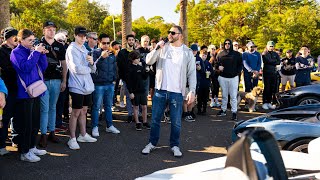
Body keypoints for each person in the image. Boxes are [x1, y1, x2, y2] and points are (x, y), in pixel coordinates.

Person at [142, 25, 196, 157]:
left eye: (173, 32)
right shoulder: (163, 48)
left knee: (176, 122)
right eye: (169, 32)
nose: (169, 35)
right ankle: (152, 143)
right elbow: (148, 61)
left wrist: (192, 91)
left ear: (180, 35)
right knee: (155, 119)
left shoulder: (187, 52)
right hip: (161, 90)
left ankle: (175, 145)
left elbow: (192, 73)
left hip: (177, 92)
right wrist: (156, 48)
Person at [10, 29, 48, 162]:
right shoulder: (15, 53)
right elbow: (25, 68)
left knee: (34, 122)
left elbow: (43, 67)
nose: (33, 42)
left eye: (33, 39)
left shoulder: (32, 51)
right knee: (26, 124)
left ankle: (32, 147)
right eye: (29, 40)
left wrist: (41, 54)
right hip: (24, 93)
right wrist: (36, 53)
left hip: (36, 91)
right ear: (21, 40)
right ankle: (24, 152)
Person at [65, 26, 97, 150]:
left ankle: (83, 135)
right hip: (76, 86)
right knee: (75, 112)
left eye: (84, 36)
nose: (83, 38)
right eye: (80, 36)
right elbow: (76, 69)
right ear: (75, 36)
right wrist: (89, 68)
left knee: (84, 111)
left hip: (87, 86)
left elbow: (93, 69)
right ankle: (72, 138)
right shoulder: (72, 49)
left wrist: (92, 63)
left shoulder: (84, 48)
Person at [39, 21, 67, 148]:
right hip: (42, 81)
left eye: (53, 29)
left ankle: (52, 132)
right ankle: (43, 134)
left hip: (56, 80)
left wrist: (64, 81)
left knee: (53, 107)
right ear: (44, 30)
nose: (51, 31)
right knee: (44, 108)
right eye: (49, 29)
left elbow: (64, 64)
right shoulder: (38, 44)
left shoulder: (60, 46)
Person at [91, 33, 120, 137]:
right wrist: (102, 58)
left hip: (109, 84)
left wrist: (114, 79)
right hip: (98, 84)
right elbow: (92, 67)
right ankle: (94, 127)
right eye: (104, 43)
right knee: (96, 107)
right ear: (99, 42)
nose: (106, 45)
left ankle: (109, 126)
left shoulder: (112, 54)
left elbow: (114, 68)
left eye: (108, 43)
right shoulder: (94, 52)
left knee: (108, 106)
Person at [0, 27, 18, 156]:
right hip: (6, 90)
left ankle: (15, 140)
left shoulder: (17, 50)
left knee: (16, 116)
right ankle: (1, 145)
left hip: (17, 89)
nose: (17, 38)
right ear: (8, 38)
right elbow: (7, 69)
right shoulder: (1, 51)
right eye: (14, 36)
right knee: (5, 118)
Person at [216, 39, 242, 121]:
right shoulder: (220, 54)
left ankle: (234, 112)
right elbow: (216, 64)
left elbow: (240, 65)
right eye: (225, 43)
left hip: (233, 78)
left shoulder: (237, 54)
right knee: (224, 95)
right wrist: (218, 67)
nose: (227, 45)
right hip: (223, 77)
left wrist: (236, 73)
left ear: (231, 44)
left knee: (233, 96)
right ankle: (223, 110)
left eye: (228, 43)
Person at [127, 51, 150, 130]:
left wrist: (147, 71)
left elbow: (144, 77)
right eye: (137, 58)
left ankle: (145, 122)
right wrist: (131, 92)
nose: (139, 59)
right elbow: (128, 82)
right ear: (133, 59)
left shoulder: (140, 67)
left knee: (144, 106)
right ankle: (137, 123)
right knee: (136, 107)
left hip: (142, 90)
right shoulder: (130, 69)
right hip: (135, 91)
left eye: (139, 58)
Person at [117, 34, 136, 123]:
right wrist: (122, 76)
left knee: (136, 97)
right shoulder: (122, 52)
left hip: (136, 78)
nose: (131, 41)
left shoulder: (136, 52)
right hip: (126, 78)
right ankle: (129, 114)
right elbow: (120, 65)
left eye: (132, 40)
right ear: (127, 41)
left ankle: (137, 114)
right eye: (129, 40)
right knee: (128, 96)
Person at [261, 41, 280, 110]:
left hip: (274, 73)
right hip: (267, 73)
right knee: (267, 88)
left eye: (272, 46)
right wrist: (274, 61)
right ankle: (265, 102)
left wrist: (273, 61)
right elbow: (267, 61)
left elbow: (278, 61)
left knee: (273, 88)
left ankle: (270, 102)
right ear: (267, 46)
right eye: (270, 46)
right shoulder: (264, 53)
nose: (271, 47)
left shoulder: (275, 54)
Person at [197, 50, 214, 115]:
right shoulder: (198, 63)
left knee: (205, 97)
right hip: (200, 82)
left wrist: (210, 73)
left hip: (206, 82)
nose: (204, 57)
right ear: (200, 55)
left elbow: (212, 72)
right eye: (202, 55)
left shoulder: (208, 63)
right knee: (199, 97)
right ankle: (199, 109)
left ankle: (204, 109)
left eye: (205, 56)